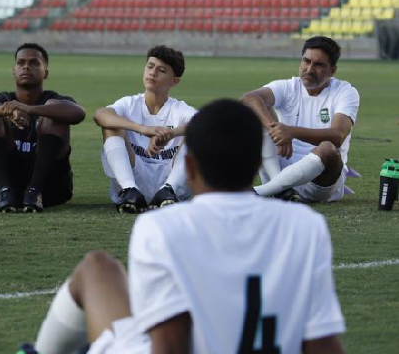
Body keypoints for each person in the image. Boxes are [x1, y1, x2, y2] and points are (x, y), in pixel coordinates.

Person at [27, 99, 346, 354]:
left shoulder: (160, 227)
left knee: (97, 268)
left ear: (190, 167)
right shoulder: (307, 226)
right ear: (257, 165)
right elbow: (322, 343)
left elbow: (169, 346)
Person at [0, 43, 86, 213]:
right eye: (20, 63)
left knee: (55, 112)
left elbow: (78, 113)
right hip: (4, 186)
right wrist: (6, 110)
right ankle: (5, 192)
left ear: (46, 72)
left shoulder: (54, 99)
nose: (26, 66)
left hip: (50, 191)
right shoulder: (4, 99)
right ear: (13, 71)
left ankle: (34, 191)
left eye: (34, 62)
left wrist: (28, 110)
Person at [242, 35, 359, 203]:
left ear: (332, 70)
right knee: (255, 114)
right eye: (306, 61)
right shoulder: (289, 86)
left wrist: (291, 132)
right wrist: (275, 130)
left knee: (328, 148)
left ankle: (260, 191)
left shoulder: (345, 92)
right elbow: (249, 98)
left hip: (319, 181)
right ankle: (281, 190)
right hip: (279, 169)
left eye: (318, 65)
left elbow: (337, 136)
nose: (309, 69)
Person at [93, 45, 196, 214]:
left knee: (197, 134)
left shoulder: (179, 109)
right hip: (136, 176)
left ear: (174, 81)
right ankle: (129, 190)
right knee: (112, 125)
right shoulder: (129, 103)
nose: (152, 73)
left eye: (161, 70)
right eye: (150, 66)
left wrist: (170, 133)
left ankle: (168, 190)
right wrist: (143, 129)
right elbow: (100, 115)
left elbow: (206, 123)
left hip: (171, 178)